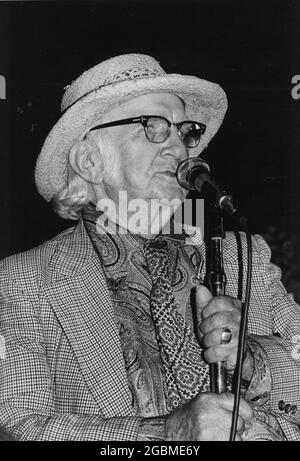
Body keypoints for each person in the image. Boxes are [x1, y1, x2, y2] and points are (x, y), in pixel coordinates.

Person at [0, 53, 300, 441]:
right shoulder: (23, 280)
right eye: (153, 126)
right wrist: (168, 434)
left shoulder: (245, 256)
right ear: (89, 160)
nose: (179, 146)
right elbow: (16, 425)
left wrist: (252, 360)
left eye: (184, 130)